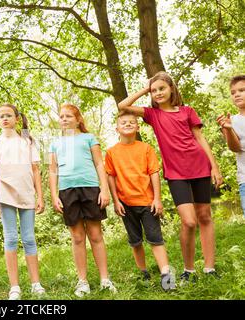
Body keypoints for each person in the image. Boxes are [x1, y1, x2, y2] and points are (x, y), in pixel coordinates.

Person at [118, 71, 223, 282]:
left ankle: (210, 268)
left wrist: (215, 167)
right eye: (154, 90)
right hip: (176, 174)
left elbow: (200, 139)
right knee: (189, 221)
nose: (158, 93)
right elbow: (123, 106)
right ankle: (189, 269)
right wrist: (146, 88)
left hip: (200, 166)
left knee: (204, 217)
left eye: (161, 88)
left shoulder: (187, 111)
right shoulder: (152, 115)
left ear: (171, 89)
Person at [49, 103, 116, 297]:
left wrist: (104, 190)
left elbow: (99, 164)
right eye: (61, 116)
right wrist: (54, 195)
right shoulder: (54, 143)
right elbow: (53, 171)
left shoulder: (89, 138)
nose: (64, 119)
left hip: (90, 189)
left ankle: (105, 279)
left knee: (95, 235)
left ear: (78, 119)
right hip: (67, 191)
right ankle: (82, 281)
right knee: (77, 237)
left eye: (68, 116)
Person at [105, 112, 175, 291]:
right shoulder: (112, 152)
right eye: (123, 122)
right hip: (125, 203)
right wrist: (116, 200)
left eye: (132, 122)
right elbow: (111, 177)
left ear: (138, 127)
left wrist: (157, 199)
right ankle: (143, 273)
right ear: (117, 128)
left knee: (155, 239)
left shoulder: (146, 148)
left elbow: (154, 173)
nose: (128, 124)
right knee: (135, 241)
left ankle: (167, 277)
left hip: (147, 202)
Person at [0, 103, 46, 300]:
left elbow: (36, 170)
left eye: (8, 115)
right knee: (11, 238)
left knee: (29, 238)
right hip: (5, 194)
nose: (4, 118)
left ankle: (35, 284)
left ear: (17, 118)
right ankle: (15, 287)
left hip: (27, 194)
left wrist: (40, 196)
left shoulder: (28, 141)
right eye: (1, 116)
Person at [216, 75, 245, 218]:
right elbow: (235, 148)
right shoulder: (231, 121)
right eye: (233, 92)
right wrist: (228, 129)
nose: (237, 94)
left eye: (242, 90)